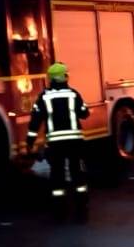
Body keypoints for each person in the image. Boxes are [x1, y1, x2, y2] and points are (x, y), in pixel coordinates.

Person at [28, 63, 90, 198]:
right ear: (64, 77)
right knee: (76, 169)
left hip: (55, 143)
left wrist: (30, 141)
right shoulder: (73, 94)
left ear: (50, 78)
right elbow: (85, 113)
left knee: (57, 170)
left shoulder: (43, 97)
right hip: (75, 141)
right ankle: (81, 198)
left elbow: (35, 121)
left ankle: (59, 199)